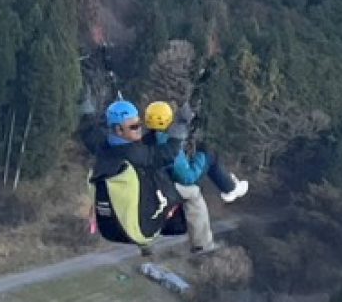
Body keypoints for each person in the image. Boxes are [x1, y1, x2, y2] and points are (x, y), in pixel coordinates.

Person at [89, 100, 216, 255]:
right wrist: (181, 125)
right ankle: (202, 245)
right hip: (141, 229)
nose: (139, 129)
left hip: (110, 229)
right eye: (134, 127)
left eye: (140, 124)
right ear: (118, 129)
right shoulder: (133, 153)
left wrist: (85, 105)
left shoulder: (103, 148)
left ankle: (145, 247)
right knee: (193, 192)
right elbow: (166, 154)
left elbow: (88, 131)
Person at [143, 101, 249, 202]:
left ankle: (227, 181)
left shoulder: (147, 139)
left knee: (202, 149)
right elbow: (185, 175)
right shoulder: (169, 144)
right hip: (184, 179)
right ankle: (230, 188)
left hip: (164, 177)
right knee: (210, 154)